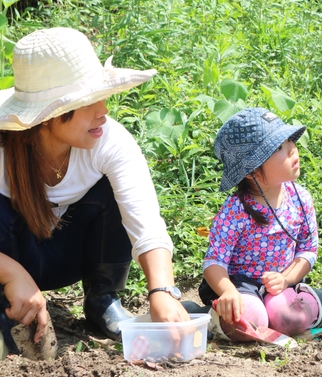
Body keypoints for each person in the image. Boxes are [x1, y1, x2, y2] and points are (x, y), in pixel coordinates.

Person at [0, 27, 189, 356]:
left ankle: (103, 298)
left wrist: (162, 291)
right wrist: (11, 273)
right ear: (48, 116)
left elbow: (146, 222)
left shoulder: (110, 141)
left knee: (110, 191)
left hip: (71, 255)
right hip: (13, 257)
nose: (103, 109)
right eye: (87, 102)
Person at [198, 107, 322, 337]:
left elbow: (308, 250)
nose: (292, 149)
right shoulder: (235, 210)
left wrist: (286, 278)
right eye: (278, 147)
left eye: (289, 140)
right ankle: (207, 316)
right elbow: (214, 261)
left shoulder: (300, 198)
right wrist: (228, 291)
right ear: (251, 171)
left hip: (282, 283)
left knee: (290, 318)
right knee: (249, 320)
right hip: (242, 285)